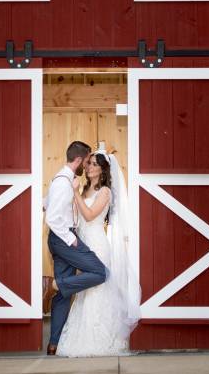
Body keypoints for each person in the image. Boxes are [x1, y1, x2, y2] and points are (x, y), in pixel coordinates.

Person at [55, 146, 141, 357]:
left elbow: (91, 215)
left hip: (97, 244)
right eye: (89, 163)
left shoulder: (105, 192)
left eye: (94, 164)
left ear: (102, 170)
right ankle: (80, 335)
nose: (89, 166)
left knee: (98, 289)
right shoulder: (84, 189)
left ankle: (100, 338)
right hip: (81, 244)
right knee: (85, 291)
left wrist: (75, 193)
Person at [44, 141, 107, 356]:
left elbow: (48, 205)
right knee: (99, 272)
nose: (88, 165)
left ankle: (53, 345)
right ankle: (52, 283)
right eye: (87, 161)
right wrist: (71, 240)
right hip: (65, 239)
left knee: (63, 295)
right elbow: (52, 218)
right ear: (79, 160)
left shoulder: (63, 179)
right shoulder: (63, 182)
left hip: (63, 238)